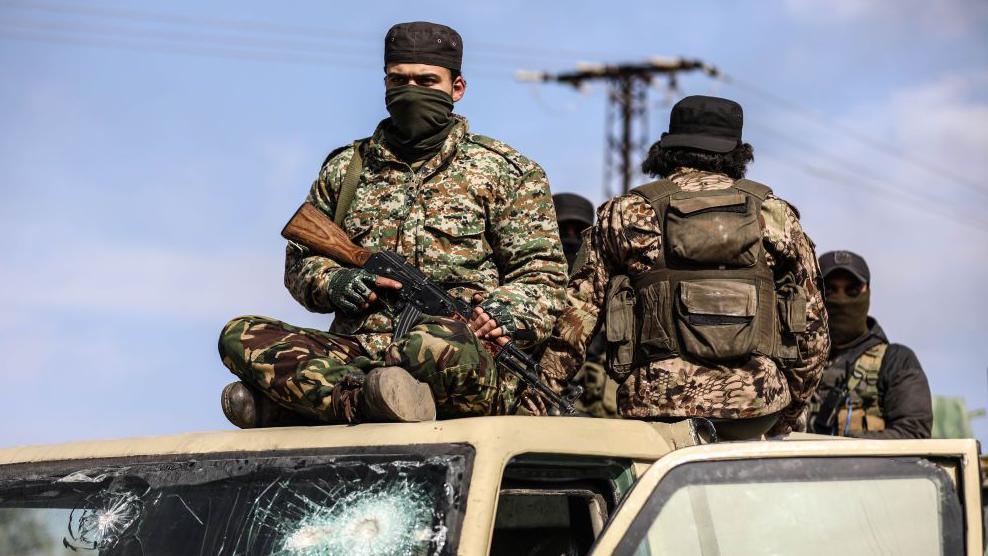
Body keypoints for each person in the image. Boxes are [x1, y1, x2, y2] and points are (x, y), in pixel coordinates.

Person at [217, 21, 567, 427]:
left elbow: (542, 275)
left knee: (428, 348)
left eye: (426, 80)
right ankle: (364, 400)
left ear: (457, 88)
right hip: (358, 350)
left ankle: (306, 402)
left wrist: (500, 313)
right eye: (399, 80)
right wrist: (336, 283)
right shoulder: (347, 169)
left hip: (458, 353)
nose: (412, 90)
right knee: (239, 335)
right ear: (385, 83)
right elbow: (300, 264)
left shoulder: (506, 172)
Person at [535, 95, 830, 439]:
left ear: (668, 147)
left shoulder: (627, 214)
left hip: (658, 411)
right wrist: (790, 411)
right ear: (737, 152)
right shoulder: (774, 215)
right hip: (756, 408)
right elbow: (813, 328)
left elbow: (576, 320)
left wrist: (540, 400)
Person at [808, 250, 933, 438]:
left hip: (872, 468)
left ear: (867, 291)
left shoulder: (896, 361)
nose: (841, 299)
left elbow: (913, 433)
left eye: (852, 290)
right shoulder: (795, 362)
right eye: (830, 290)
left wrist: (842, 450)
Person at [552, 193, 618, 418]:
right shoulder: (535, 280)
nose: (570, 237)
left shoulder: (608, 278)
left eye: (577, 231)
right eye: (564, 231)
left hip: (600, 399)